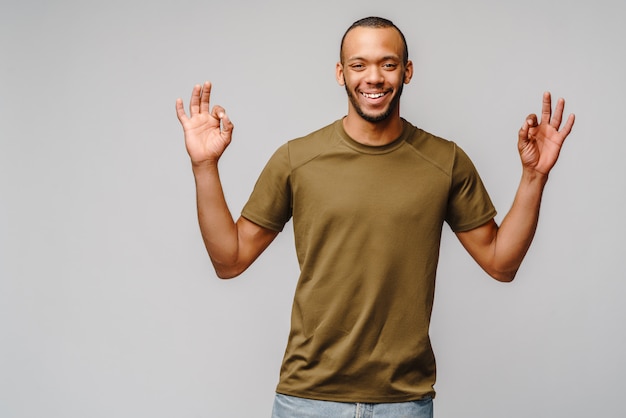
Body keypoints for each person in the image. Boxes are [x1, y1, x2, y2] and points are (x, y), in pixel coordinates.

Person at [175, 16, 575, 418]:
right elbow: (230, 260)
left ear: (407, 71)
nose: (374, 78)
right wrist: (204, 167)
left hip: (403, 402)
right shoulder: (297, 160)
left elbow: (501, 263)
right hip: (308, 400)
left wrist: (535, 176)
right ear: (340, 73)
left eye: (388, 64)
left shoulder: (444, 161)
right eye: (359, 64)